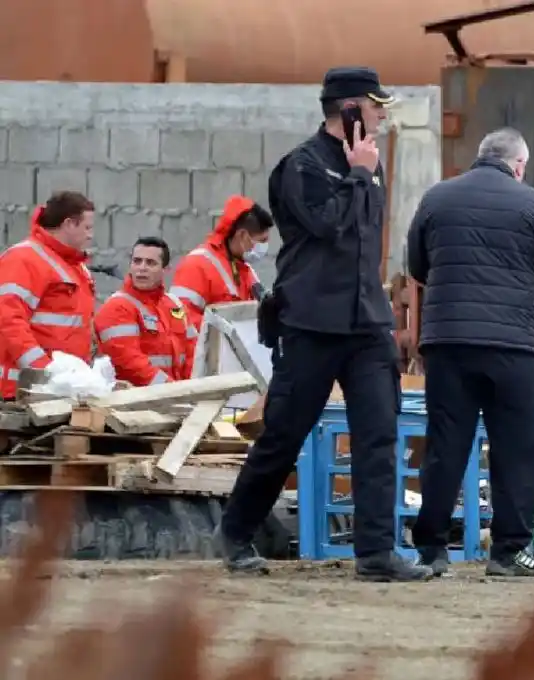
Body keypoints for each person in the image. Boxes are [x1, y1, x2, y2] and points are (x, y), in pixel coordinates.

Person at [217, 66, 433, 582]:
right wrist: (358, 173)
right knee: (286, 431)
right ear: (350, 109)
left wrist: (364, 171)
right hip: (312, 323)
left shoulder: (370, 165)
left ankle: (376, 553)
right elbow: (326, 227)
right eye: (375, 106)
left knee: (379, 434)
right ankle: (236, 531)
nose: (382, 116)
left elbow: (364, 243)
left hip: (364, 323)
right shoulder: (302, 167)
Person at [406, 128, 534, 578]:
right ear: (518, 165)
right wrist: (521, 281)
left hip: (447, 344)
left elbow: (417, 266)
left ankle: (431, 552)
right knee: (516, 450)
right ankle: (508, 553)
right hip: (512, 346)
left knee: (445, 445)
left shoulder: (436, 198)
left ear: (481, 157)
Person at [0, 191, 96, 399]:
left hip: (59, 388)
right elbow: (9, 321)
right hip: (23, 391)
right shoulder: (23, 259)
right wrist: (44, 372)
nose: (90, 235)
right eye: (87, 227)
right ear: (69, 224)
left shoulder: (76, 267)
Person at [95, 237, 199, 386]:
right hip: (137, 401)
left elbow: (194, 354)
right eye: (137, 261)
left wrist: (192, 389)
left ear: (165, 270)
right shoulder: (117, 307)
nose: (142, 268)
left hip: (177, 398)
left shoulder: (175, 305)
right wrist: (172, 390)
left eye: (150, 263)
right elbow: (130, 363)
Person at [169, 196, 273, 329]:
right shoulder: (196, 266)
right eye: (262, 241)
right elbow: (180, 319)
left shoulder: (244, 268)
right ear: (242, 235)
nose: (264, 246)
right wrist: (223, 334)